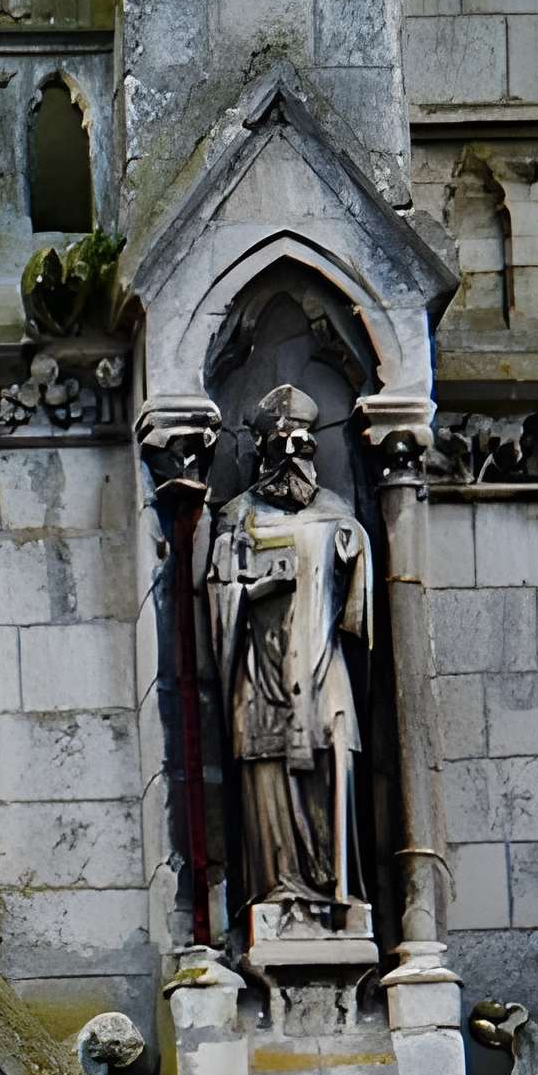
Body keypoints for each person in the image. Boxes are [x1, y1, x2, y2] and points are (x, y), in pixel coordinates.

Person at [205, 384, 375, 925]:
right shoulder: (236, 515)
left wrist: (357, 553)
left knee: (335, 764)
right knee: (268, 779)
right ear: (260, 452)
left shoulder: (337, 514)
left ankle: (337, 895)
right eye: (279, 448)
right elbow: (218, 591)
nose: (292, 459)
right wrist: (249, 591)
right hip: (261, 675)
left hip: (325, 671)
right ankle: (280, 893)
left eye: (302, 448)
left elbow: (360, 611)